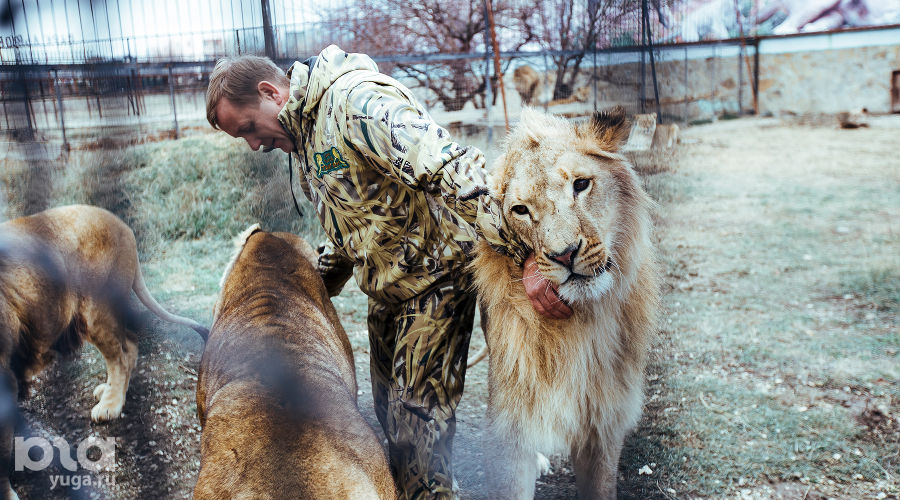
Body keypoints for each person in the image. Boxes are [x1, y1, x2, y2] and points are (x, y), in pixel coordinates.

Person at [205, 45, 572, 499]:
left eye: (247, 128)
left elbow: (453, 167)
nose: (254, 145)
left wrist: (527, 259)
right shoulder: (305, 135)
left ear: (269, 93)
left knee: (419, 434)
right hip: (388, 293)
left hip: (437, 279)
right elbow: (352, 225)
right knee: (388, 425)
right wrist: (306, 286)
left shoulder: (357, 103)